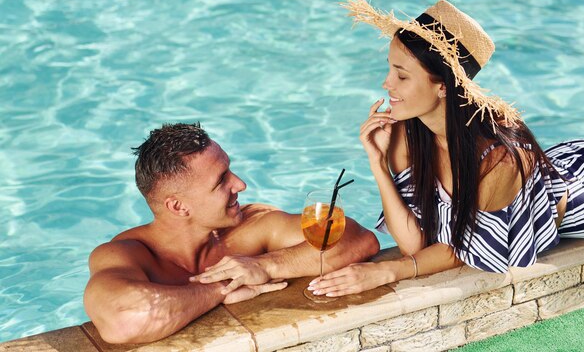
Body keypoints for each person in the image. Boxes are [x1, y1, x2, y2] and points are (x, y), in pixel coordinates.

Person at [307, 0, 584, 298]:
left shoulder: (497, 163)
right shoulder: (407, 134)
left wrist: (387, 272)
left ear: (443, 86)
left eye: (401, 76)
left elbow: (463, 250)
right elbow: (415, 244)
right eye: (390, 69)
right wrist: (378, 164)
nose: (386, 83)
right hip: (560, 164)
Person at [84, 122, 379, 344]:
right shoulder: (126, 253)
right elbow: (124, 319)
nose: (240, 184)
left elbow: (359, 239)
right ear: (178, 206)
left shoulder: (252, 225)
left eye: (230, 170)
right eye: (221, 180)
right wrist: (220, 289)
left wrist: (265, 265)